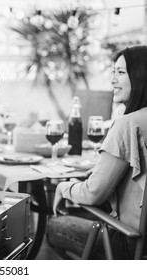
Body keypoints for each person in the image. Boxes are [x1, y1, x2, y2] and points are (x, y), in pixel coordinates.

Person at [47, 45, 147, 259]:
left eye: (120, 72)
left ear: (140, 77)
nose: (113, 79)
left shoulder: (128, 124)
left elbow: (93, 193)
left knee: (54, 225)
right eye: (113, 72)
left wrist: (64, 188)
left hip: (131, 243)